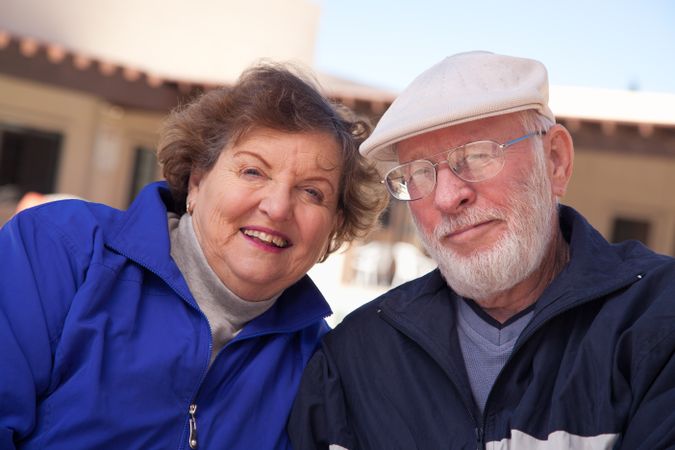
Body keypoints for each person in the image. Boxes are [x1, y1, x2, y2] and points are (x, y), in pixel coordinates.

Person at [288, 51, 675, 449]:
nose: (448, 196)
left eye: (476, 155)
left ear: (555, 161)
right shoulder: (357, 357)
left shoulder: (658, 317)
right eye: (420, 173)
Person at [0, 63, 387, 449]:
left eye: (312, 192)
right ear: (197, 182)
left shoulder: (321, 364)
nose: (278, 207)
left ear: (334, 227)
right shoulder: (59, 249)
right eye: (253, 171)